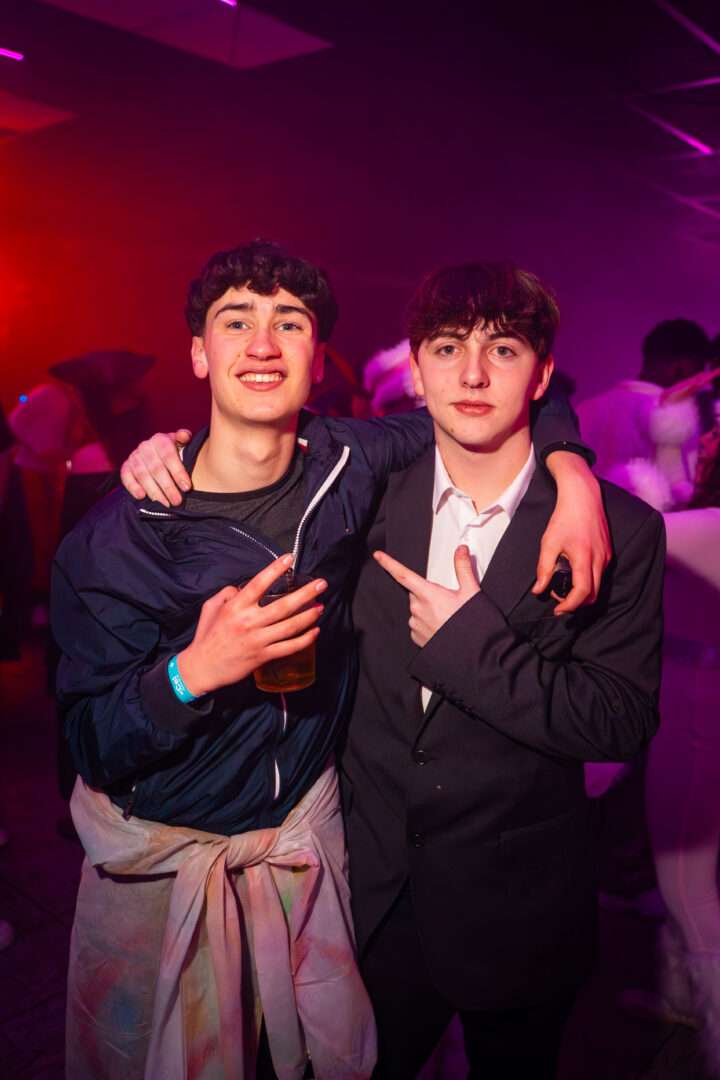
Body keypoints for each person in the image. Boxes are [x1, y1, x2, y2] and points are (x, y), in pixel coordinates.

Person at [115, 248, 612, 1078]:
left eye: (289, 325)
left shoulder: (361, 461)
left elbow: (506, 397)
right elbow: (92, 737)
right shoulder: (153, 517)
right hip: (310, 883)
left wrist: (574, 472)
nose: (263, 346)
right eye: (237, 324)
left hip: (446, 886)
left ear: (319, 358)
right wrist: (190, 669)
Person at [344, 263, 665, 1078]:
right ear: (417, 371)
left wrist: (473, 650)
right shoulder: (363, 501)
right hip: (372, 898)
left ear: (542, 374)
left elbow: (621, 719)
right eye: (448, 348)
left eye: (504, 349)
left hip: (519, 909)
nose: (474, 374)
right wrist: (162, 453)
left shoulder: (619, 528)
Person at [576, 318, 709, 503]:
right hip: (661, 521)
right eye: (699, 373)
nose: (699, 384)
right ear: (682, 367)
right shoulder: (681, 418)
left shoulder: (584, 409)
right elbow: (684, 495)